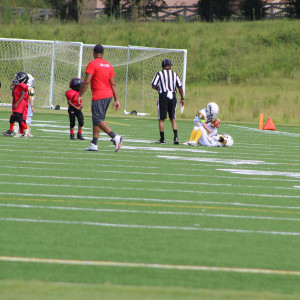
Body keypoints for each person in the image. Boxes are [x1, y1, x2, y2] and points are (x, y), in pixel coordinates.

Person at [78, 44, 122, 152]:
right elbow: (113, 85)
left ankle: (115, 137)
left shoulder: (93, 64)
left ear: (93, 53)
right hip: (108, 96)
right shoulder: (109, 65)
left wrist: (80, 95)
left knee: (97, 119)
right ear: (103, 53)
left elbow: (86, 81)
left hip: (99, 96)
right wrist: (116, 99)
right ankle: (94, 144)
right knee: (98, 120)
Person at [151, 58, 185, 144]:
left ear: (162, 66)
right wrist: (182, 98)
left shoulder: (159, 74)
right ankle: (176, 138)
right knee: (173, 118)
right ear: (170, 66)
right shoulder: (174, 74)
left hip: (163, 95)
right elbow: (180, 86)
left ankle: (162, 139)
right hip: (173, 96)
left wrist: (160, 89)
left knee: (161, 118)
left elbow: (153, 85)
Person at [3, 72, 29, 137]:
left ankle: (26, 129)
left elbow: (22, 96)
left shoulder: (22, 86)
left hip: (20, 104)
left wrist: (17, 104)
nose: (15, 79)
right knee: (12, 118)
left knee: (19, 118)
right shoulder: (17, 86)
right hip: (16, 103)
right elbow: (13, 95)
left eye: (17, 78)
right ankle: (10, 131)